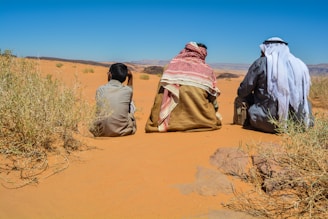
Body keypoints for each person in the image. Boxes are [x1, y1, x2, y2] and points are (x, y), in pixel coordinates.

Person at [235, 37, 314, 133]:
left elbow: (243, 91)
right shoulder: (300, 64)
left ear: (267, 49)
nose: (261, 53)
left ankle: (244, 126)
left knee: (240, 99)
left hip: (270, 123)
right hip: (301, 123)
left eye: (262, 50)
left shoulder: (261, 63)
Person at [145, 41, 222, 132]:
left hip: (169, 119)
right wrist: (215, 110)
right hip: (203, 119)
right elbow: (213, 99)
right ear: (203, 54)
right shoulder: (207, 70)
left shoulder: (169, 67)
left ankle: (166, 121)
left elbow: (159, 95)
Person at [90, 63, 137, 137]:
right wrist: (130, 77)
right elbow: (130, 92)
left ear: (110, 75)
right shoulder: (127, 91)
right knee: (131, 103)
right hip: (121, 131)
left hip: (99, 131)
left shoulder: (100, 89)